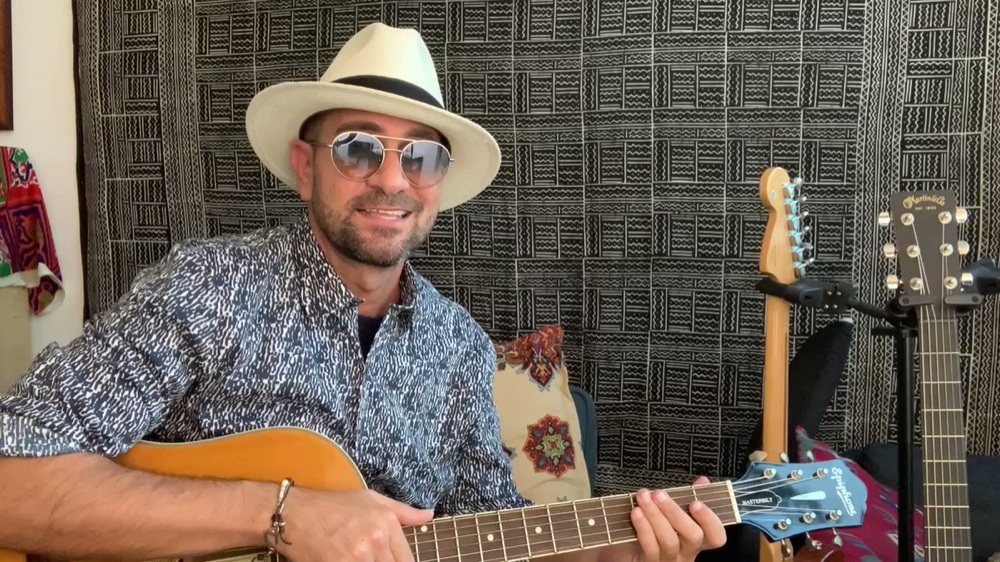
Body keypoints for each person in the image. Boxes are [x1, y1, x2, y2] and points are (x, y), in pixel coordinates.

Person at [0, 23, 726, 562]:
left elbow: (491, 536)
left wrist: (615, 552)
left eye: (422, 157)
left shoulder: (459, 348)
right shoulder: (207, 288)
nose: (392, 180)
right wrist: (282, 515)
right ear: (305, 166)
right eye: (358, 147)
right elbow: (12, 480)